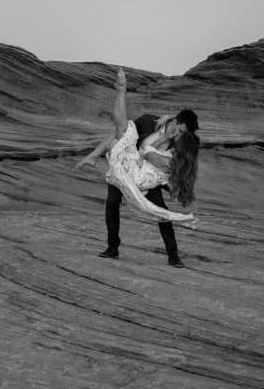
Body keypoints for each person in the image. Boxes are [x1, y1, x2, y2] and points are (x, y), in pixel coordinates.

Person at [77, 67, 200, 267]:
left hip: (148, 178)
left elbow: (173, 164)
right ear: (174, 121)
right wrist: (93, 155)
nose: (176, 135)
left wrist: (172, 184)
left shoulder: (177, 143)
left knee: (160, 210)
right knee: (112, 202)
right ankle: (112, 248)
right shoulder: (147, 122)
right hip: (124, 168)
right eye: (177, 130)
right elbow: (117, 134)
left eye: (181, 134)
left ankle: (173, 256)